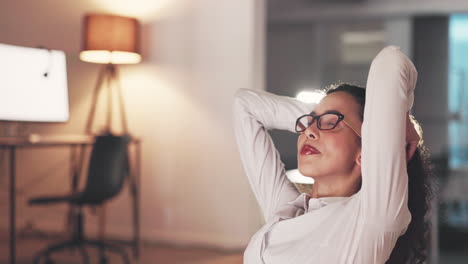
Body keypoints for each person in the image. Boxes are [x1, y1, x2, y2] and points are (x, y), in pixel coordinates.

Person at [232, 46, 435, 263]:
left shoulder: (372, 218)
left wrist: (399, 117)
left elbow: (390, 62)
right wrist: (321, 114)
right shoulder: (287, 209)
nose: (308, 131)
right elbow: (244, 105)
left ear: (366, 152)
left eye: (330, 123)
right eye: (309, 122)